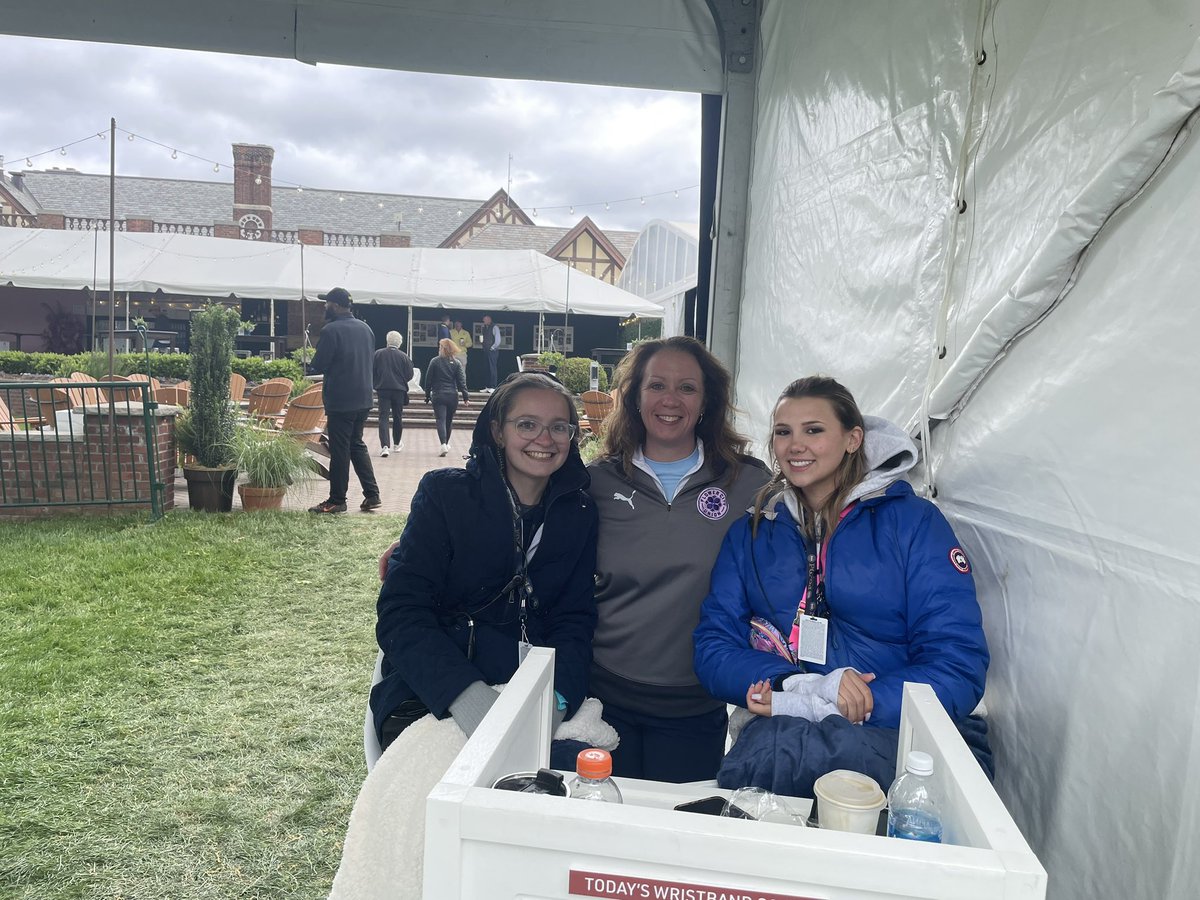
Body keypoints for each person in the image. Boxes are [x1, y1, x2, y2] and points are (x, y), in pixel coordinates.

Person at [692, 376, 991, 798]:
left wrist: (862, 700)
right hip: (783, 733)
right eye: (783, 432)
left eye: (814, 430)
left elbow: (958, 663)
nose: (796, 445)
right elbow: (712, 648)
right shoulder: (754, 531)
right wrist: (795, 687)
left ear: (853, 439)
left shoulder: (914, 524)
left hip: (894, 733)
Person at [371, 372, 599, 755]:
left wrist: (556, 702)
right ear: (497, 431)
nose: (544, 439)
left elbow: (574, 619)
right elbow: (402, 613)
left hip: (532, 691)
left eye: (559, 427)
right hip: (434, 691)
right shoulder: (445, 495)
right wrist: (468, 701)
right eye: (527, 424)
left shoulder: (579, 513)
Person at [587, 336, 770, 783]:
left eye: (687, 387)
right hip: (601, 703)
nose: (670, 400)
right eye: (656, 386)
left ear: (707, 400)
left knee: (677, 840)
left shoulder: (749, 483)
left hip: (696, 704)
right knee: (606, 836)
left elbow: (814, 536)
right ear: (634, 396)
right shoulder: (594, 482)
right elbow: (530, 537)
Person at [307, 287, 381, 513]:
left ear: (336, 306)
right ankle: (372, 494)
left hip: (341, 399)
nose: (324, 308)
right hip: (363, 398)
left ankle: (337, 499)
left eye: (326, 304)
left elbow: (318, 364)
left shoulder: (331, 330)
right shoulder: (366, 329)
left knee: (340, 450)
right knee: (356, 445)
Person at [424, 337, 469, 457]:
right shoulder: (457, 363)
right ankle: (446, 443)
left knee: (440, 419)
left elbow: (428, 380)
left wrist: (427, 395)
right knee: (449, 421)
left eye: (440, 347)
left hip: (438, 394)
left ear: (443, 349)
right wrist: (465, 396)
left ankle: (443, 444)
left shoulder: (434, 361)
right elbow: (461, 381)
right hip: (452, 395)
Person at [373, 330, 413, 457]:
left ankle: (385, 446)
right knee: (398, 416)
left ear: (387, 341)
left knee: (383, 417)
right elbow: (410, 374)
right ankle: (396, 443)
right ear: (400, 343)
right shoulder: (404, 356)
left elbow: (372, 370)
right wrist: (402, 381)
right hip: (399, 390)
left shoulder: (378, 354)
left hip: (383, 388)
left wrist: (376, 383)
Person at [480, 314, 501, 391]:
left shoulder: (495, 327)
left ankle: (493, 386)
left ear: (489, 319)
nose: (483, 321)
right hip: (486, 350)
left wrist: (492, 348)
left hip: (492, 351)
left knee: (492, 368)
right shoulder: (485, 328)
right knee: (486, 368)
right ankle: (487, 386)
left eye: (484, 320)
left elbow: (498, 340)